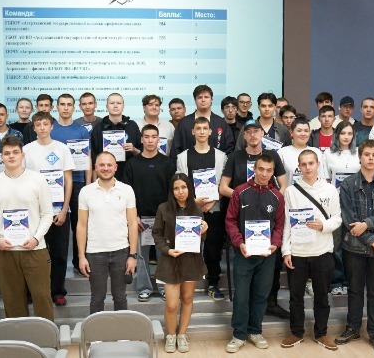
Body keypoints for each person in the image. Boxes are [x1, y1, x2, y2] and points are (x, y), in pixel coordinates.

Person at [220, 120, 288, 319]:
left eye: (256, 131)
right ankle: (242, 324)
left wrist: (269, 197)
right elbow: (223, 187)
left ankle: (269, 305)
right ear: (244, 135)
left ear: (262, 133)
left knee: (268, 275)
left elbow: (283, 185)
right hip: (243, 217)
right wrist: (245, 196)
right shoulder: (235, 157)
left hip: (268, 216)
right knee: (244, 281)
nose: (252, 135)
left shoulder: (272, 156)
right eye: (248, 131)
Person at [334, 140, 374, 354]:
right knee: (354, 290)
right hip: (354, 247)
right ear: (359, 157)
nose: (370, 158)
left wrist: (367, 224)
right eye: (366, 154)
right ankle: (353, 328)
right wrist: (370, 238)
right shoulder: (348, 184)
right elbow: (348, 218)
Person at [0, 136, 55, 320]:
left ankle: (47, 337)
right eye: (7, 153)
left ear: (22, 155)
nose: (11, 156)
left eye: (15, 152)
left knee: (42, 298)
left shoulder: (38, 180)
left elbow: (47, 214)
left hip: (34, 249)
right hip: (4, 251)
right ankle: (19, 337)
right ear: (1, 157)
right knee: (12, 301)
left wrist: (36, 238)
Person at [280, 150, 341, 350]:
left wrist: (323, 225)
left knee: (322, 296)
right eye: (304, 164)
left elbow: (337, 218)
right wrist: (286, 251)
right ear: (299, 167)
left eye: (311, 163)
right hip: (298, 252)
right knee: (296, 296)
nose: (307, 167)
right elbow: (287, 223)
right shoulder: (291, 191)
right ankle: (296, 332)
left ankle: (321, 333)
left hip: (322, 251)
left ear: (318, 164)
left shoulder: (330, 190)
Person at [224, 154, 285, 353]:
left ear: (273, 172)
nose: (264, 174)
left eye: (269, 170)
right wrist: (239, 242)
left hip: (267, 256)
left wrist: (275, 244)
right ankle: (239, 334)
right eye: (261, 169)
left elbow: (279, 225)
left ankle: (255, 331)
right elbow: (230, 221)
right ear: (254, 169)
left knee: (260, 295)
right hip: (244, 254)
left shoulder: (277, 196)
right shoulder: (240, 192)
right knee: (241, 297)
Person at [23, 111, 76, 307]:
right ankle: (33, 291)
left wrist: (64, 209)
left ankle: (58, 291)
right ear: (34, 128)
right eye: (38, 124)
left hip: (58, 211)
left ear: (52, 126)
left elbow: (68, 180)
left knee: (59, 254)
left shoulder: (62, 149)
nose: (42, 128)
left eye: (46, 124)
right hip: (35, 212)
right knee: (34, 254)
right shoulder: (26, 150)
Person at [153, 174, 208, 353]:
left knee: (187, 299)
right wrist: (167, 250)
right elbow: (157, 233)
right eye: (176, 188)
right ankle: (171, 335)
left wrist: (204, 231)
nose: (180, 191)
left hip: (191, 260)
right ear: (172, 191)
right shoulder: (163, 208)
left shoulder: (197, 208)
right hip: (170, 259)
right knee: (171, 304)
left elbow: (201, 238)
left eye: (183, 187)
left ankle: (182, 334)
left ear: (189, 188)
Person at [78, 152, 138, 313]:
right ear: (95, 167)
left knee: (120, 297)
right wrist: (81, 256)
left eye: (109, 165)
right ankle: (96, 330)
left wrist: (133, 255)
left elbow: (133, 223)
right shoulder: (85, 192)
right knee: (97, 298)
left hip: (121, 251)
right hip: (95, 253)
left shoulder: (127, 190)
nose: (105, 168)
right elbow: (81, 225)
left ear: (116, 167)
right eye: (102, 165)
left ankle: (121, 330)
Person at [176, 117, 227, 300]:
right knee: (188, 247)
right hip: (191, 209)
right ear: (193, 132)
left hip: (214, 208)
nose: (202, 131)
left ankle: (213, 284)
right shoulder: (183, 157)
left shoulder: (221, 156)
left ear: (210, 131)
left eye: (205, 128)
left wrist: (214, 200)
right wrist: (194, 201)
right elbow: (180, 184)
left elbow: (224, 182)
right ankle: (185, 284)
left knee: (213, 250)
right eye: (198, 128)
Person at [123, 124, 175, 301]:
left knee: (164, 255)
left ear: (159, 139)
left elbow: (172, 192)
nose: (150, 140)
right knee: (141, 256)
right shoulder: (132, 164)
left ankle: (163, 287)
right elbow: (127, 193)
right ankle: (144, 287)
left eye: (154, 137)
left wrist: (169, 216)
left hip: (163, 218)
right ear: (142, 140)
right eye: (147, 137)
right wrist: (133, 216)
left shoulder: (167, 163)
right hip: (140, 219)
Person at [49, 94, 92, 277]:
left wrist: (88, 185)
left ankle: (78, 262)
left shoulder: (81, 130)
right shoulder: (51, 129)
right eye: (62, 104)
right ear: (56, 107)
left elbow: (88, 158)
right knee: (57, 226)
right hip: (55, 185)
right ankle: (54, 265)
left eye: (69, 105)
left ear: (74, 108)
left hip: (79, 182)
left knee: (79, 224)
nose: (66, 108)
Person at [323, 121, 360, 297]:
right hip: (335, 204)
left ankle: (351, 281)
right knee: (336, 244)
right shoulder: (328, 154)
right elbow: (326, 180)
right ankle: (336, 281)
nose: (346, 137)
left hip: (355, 204)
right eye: (343, 133)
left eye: (349, 133)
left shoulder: (358, 153)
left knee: (353, 244)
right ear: (337, 135)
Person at [88, 93, 142, 182]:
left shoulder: (132, 126)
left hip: (129, 175)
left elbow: (142, 153)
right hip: (105, 175)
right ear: (107, 106)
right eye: (112, 103)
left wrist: (134, 149)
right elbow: (94, 157)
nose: (115, 106)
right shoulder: (98, 128)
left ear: (123, 106)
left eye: (119, 103)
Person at [172, 85, 234, 155]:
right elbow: (175, 149)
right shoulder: (184, 123)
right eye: (200, 97)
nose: (203, 100)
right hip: (188, 161)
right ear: (195, 100)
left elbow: (229, 149)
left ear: (211, 100)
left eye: (206, 97)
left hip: (216, 162)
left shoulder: (221, 123)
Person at [278, 116, 327, 187]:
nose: (303, 134)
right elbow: (277, 180)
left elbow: (321, 177)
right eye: (299, 131)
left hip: (313, 192)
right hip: (290, 193)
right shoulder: (282, 153)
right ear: (291, 132)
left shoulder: (316, 152)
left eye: (306, 131)